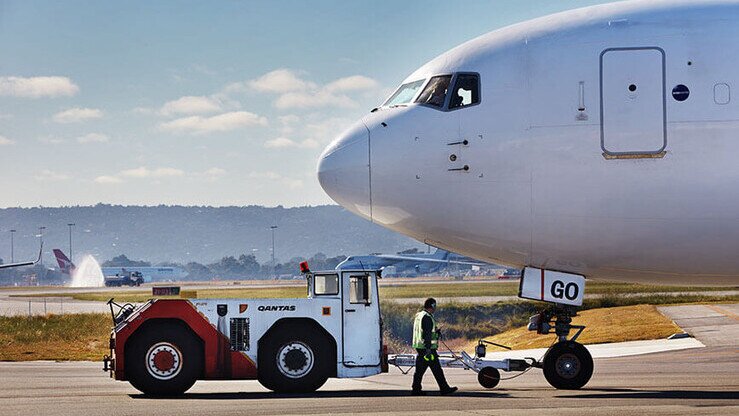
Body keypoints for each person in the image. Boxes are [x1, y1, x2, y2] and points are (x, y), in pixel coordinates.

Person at [411, 297, 458, 395]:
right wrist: (428, 349)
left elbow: (423, 331)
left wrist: (435, 332)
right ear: (432, 306)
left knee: (422, 370)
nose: (435, 308)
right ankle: (444, 388)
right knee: (436, 369)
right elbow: (427, 334)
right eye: (435, 305)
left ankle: (416, 389)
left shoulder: (419, 315)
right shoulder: (427, 317)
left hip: (420, 347)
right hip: (427, 349)